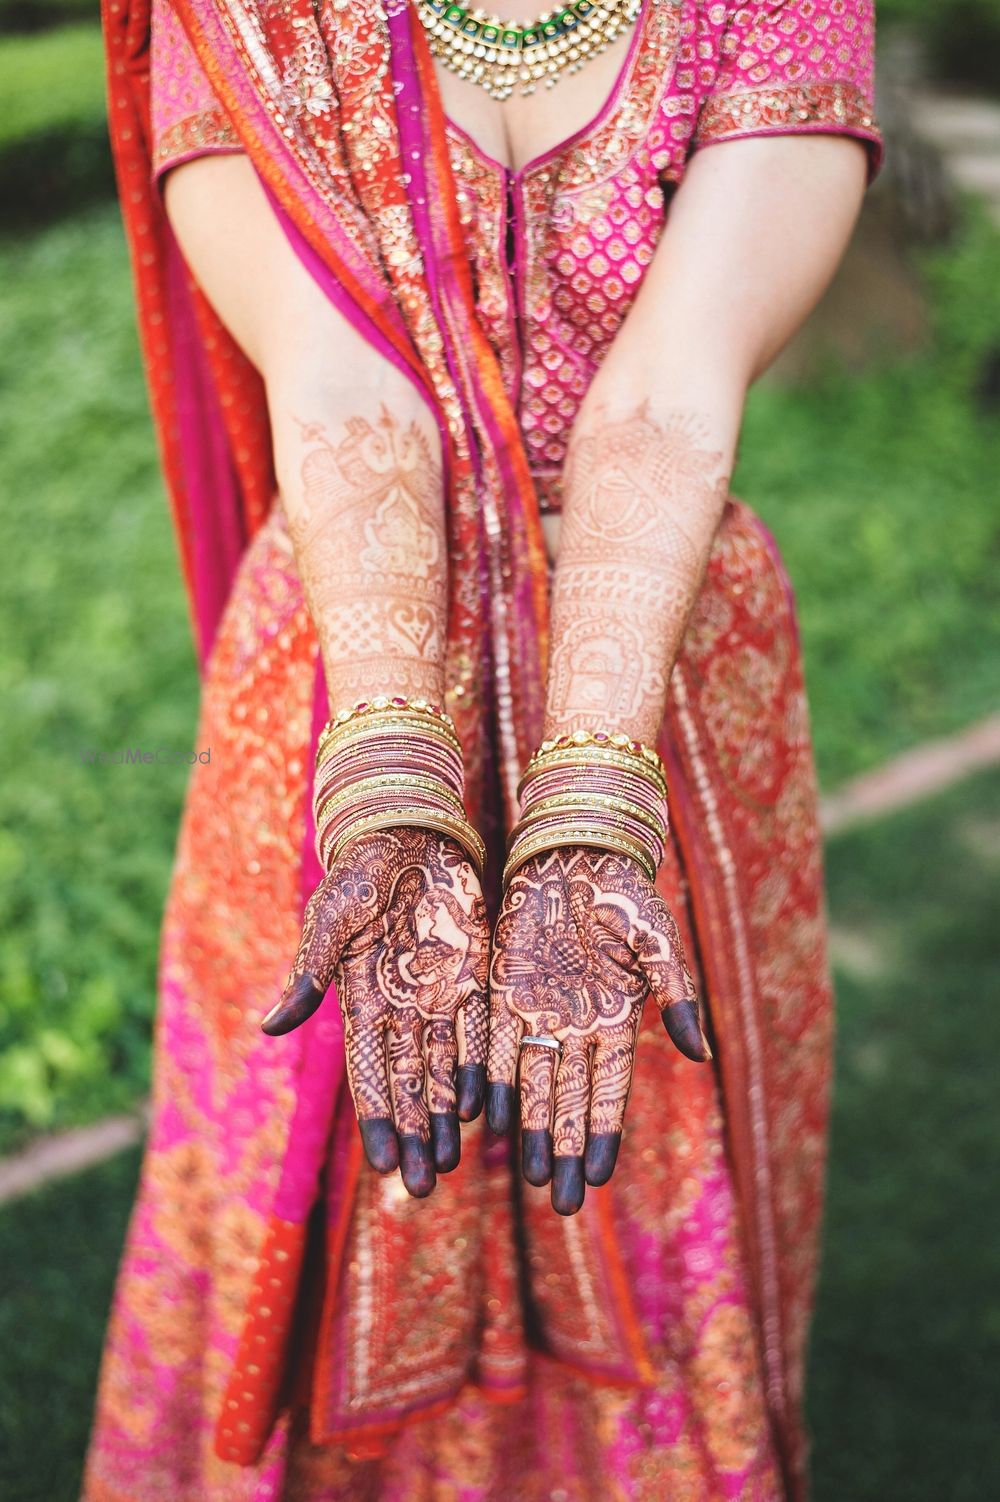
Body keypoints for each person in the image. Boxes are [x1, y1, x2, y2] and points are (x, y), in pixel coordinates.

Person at [86, 1, 883, 1497]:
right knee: (316, 1145)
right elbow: (339, 393)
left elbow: (666, 399)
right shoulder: (244, 15)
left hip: (662, 696)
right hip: (344, 658)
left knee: (652, 1155)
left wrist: (590, 808)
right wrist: (395, 799)